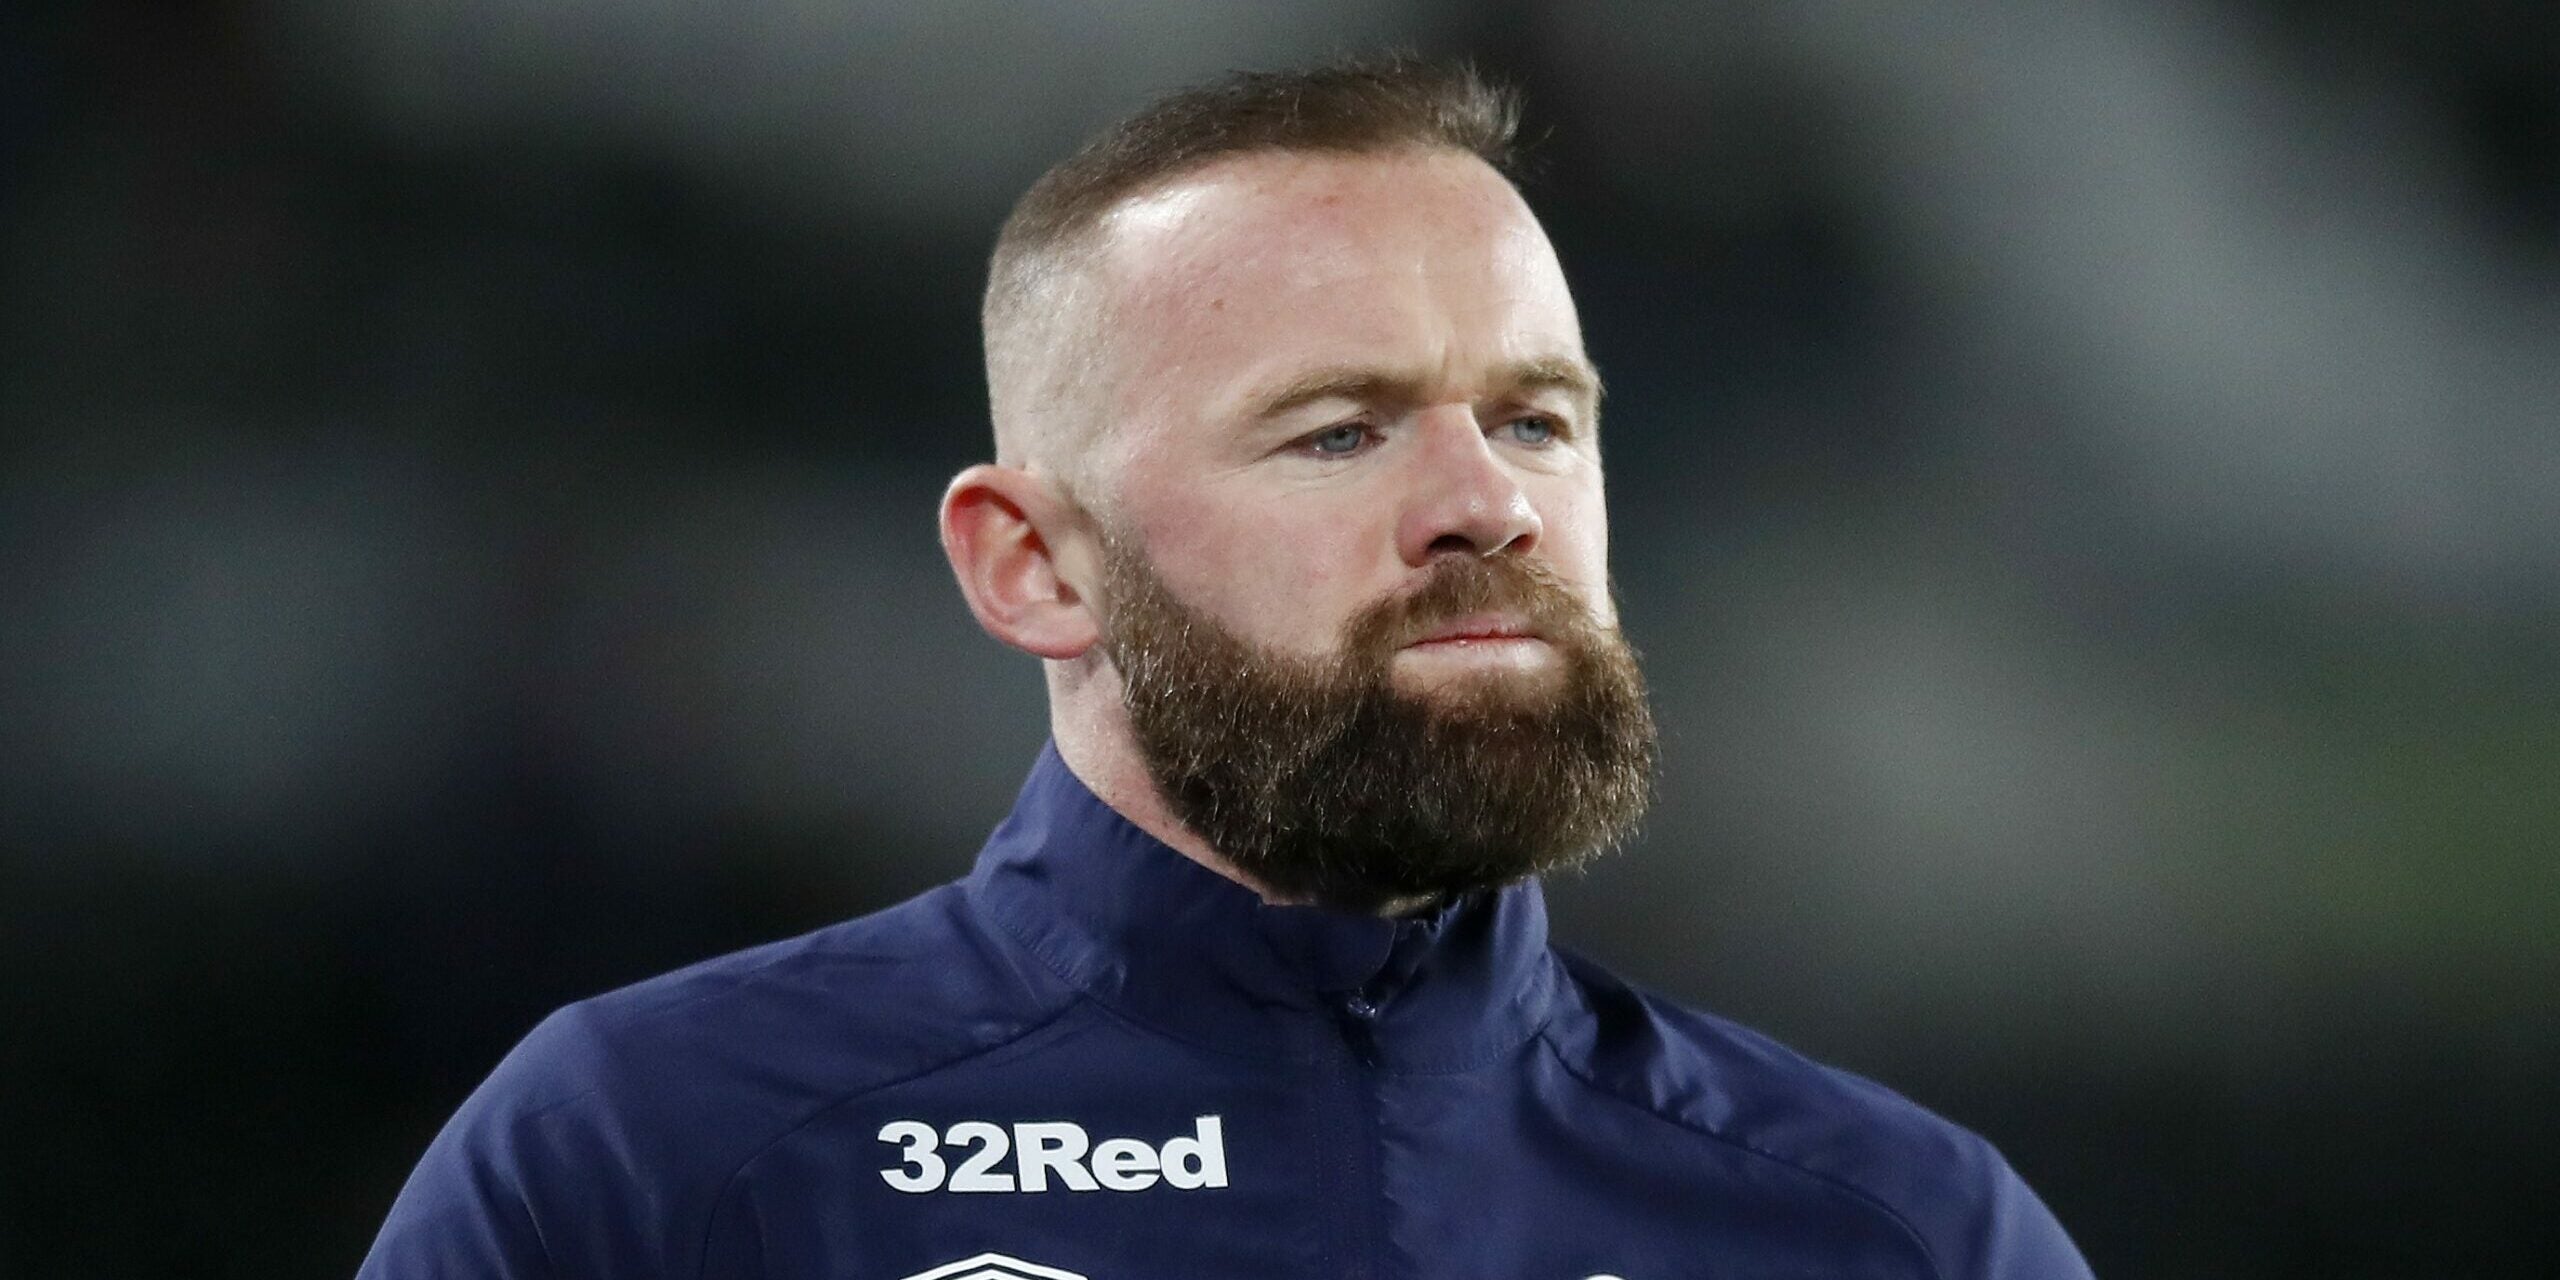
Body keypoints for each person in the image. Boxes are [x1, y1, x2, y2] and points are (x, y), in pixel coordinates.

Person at [360, 57, 2092, 1279]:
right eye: (1339, 434)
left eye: (1535, 420)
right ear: (1032, 564)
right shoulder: (662, 1161)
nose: (1486, 506)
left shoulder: (1893, 1229)